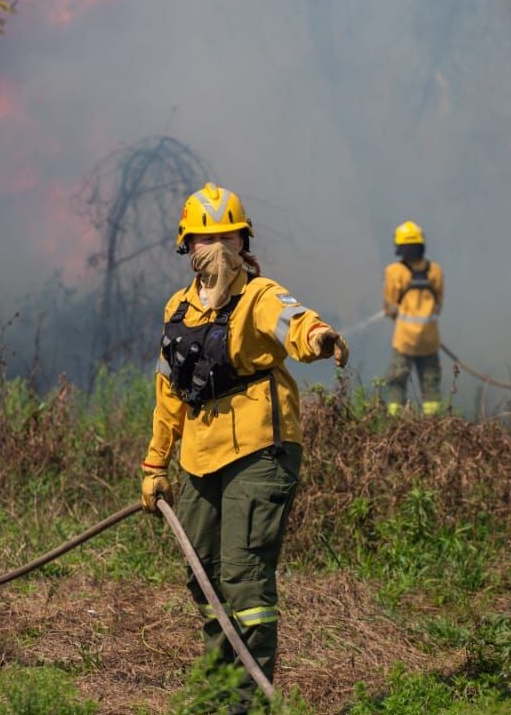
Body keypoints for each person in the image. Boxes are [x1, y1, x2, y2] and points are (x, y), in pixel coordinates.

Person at [140, 181, 349, 712]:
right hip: (200, 457)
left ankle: (247, 703)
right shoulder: (180, 311)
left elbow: (293, 320)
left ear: (243, 243)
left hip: (260, 451)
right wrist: (154, 463)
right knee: (204, 578)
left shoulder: (258, 296)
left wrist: (320, 337)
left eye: (229, 238)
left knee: (243, 580)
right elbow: (169, 392)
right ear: (188, 247)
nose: (219, 249)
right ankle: (217, 693)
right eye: (207, 240)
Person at [380, 220, 444, 416]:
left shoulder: (394, 272)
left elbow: (390, 307)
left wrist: (394, 312)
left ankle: (395, 423)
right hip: (429, 341)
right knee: (430, 384)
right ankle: (432, 427)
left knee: (397, 382)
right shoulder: (435, 271)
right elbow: (438, 305)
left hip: (404, 341)